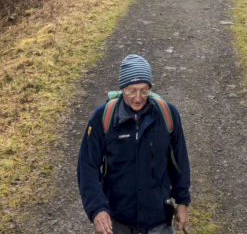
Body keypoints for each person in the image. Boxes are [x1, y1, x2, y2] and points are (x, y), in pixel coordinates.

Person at [78, 54, 191, 234]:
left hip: (159, 221)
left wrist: (183, 202)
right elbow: (88, 165)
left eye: (144, 90)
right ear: (122, 88)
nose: (138, 98)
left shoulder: (168, 115)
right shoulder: (103, 118)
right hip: (118, 222)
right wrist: (97, 208)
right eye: (131, 90)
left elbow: (180, 162)